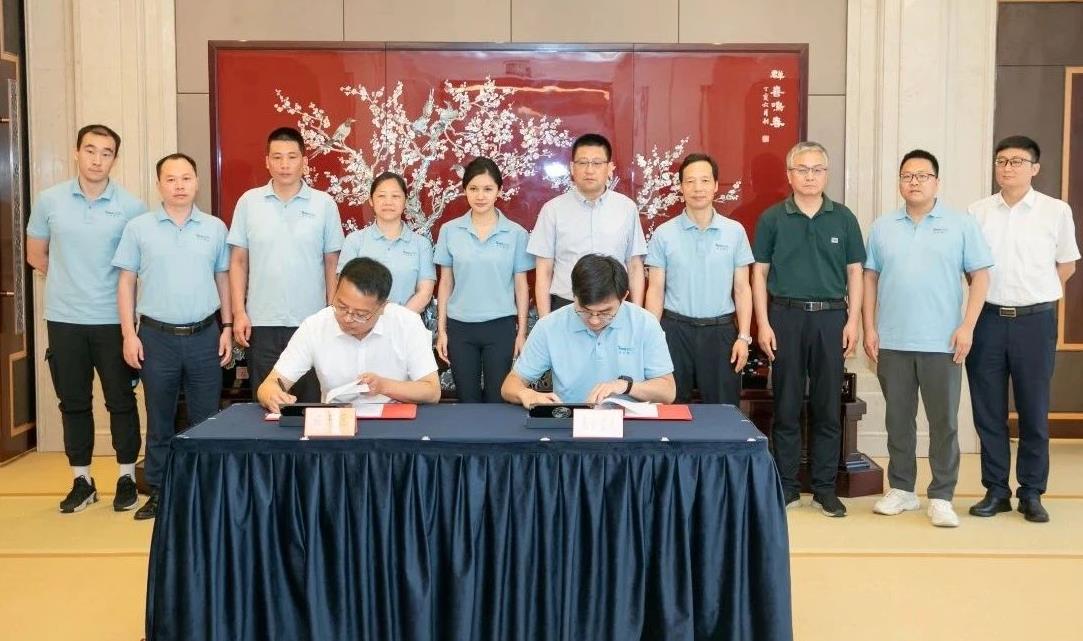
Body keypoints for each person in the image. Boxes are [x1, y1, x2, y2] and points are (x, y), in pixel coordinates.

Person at [864, 149, 993, 528]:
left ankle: (941, 496)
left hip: (943, 343)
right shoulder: (883, 227)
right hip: (893, 342)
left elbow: (981, 276)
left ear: (937, 182)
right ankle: (902, 489)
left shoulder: (960, 224)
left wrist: (967, 326)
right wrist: (870, 328)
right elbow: (870, 277)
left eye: (922, 175)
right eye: (907, 176)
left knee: (944, 423)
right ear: (899, 182)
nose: (914, 182)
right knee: (898, 420)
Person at [25, 124, 146, 514]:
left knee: (121, 401)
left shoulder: (132, 207)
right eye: (90, 150)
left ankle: (126, 477)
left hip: (113, 320)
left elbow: (137, 267)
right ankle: (82, 480)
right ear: (76, 152)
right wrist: (71, 280)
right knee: (73, 402)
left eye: (106, 153)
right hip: (65, 319)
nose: (97, 160)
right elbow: (35, 255)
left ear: (115, 159)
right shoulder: (49, 200)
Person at [113, 153, 233, 520]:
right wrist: (128, 334)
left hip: (204, 335)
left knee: (207, 421)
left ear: (197, 182)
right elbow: (126, 282)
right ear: (159, 185)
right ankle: (159, 490)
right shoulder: (139, 228)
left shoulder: (215, 227)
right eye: (170, 179)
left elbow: (223, 278)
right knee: (159, 419)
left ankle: (206, 493)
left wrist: (227, 327)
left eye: (186, 178)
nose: (179, 185)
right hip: (155, 337)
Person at [966, 135, 1079, 523]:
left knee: (1033, 411)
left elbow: (1067, 265)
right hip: (987, 320)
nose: (1007, 167)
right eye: (1001, 161)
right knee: (988, 411)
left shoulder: (1055, 211)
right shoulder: (977, 212)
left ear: (1035, 168)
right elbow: (970, 269)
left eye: (1016, 161)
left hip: (1035, 322)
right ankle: (996, 490)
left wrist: (1037, 294)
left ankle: (1031, 492)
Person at [752, 141, 865, 518]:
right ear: (789, 175)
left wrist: (853, 321)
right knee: (785, 406)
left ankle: (824, 489)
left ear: (826, 175)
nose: (810, 176)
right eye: (802, 169)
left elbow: (855, 272)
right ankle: (786, 486)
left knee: (827, 407)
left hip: (831, 318)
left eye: (817, 169)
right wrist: (763, 323)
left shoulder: (843, 218)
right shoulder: (772, 218)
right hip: (785, 317)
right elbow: (759, 273)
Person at [228, 127, 344, 401]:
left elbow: (332, 263)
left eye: (292, 157)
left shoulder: (324, 204)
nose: (284, 164)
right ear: (267, 161)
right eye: (277, 157)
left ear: (304, 161)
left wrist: (332, 312)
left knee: (310, 406)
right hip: (261, 323)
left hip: (311, 322)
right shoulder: (249, 202)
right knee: (267, 403)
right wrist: (239, 312)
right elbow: (238, 262)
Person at [256, 257, 441, 411]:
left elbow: (432, 391)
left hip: (394, 422)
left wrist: (384, 386)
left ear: (383, 307)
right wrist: (273, 395)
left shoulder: (407, 323)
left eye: (360, 314)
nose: (347, 318)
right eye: (342, 306)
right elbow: (269, 385)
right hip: (335, 424)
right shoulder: (315, 326)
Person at [644, 153, 754, 405]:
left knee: (723, 409)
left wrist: (744, 337)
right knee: (671, 407)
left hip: (721, 333)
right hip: (674, 331)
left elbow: (742, 288)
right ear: (681, 187)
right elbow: (656, 290)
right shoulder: (664, 234)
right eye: (690, 181)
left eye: (705, 181)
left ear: (715, 186)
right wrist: (651, 337)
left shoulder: (734, 231)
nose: (697, 188)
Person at [502, 254, 675, 407]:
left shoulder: (645, 323)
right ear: (574, 295)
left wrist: (626, 386)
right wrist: (526, 394)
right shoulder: (549, 326)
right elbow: (510, 384)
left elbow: (668, 392)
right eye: (585, 311)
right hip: (571, 421)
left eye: (605, 312)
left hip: (630, 422)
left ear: (624, 296)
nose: (594, 320)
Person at [434, 157, 533, 402]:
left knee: (498, 399)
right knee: (466, 399)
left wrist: (521, 333)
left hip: (500, 327)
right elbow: (445, 283)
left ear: (499, 190)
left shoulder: (516, 233)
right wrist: (442, 330)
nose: (480, 196)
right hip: (459, 327)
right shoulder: (449, 230)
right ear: (464, 190)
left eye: (488, 189)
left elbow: (521, 286)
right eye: (474, 188)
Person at [528, 133, 647, 316]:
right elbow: (544, 271)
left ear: (610, 168)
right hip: (566, 307)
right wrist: (545, 321)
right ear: (572, 167)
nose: (589, 170)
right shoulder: (552, 210)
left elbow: (635, 266)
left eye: (597, 163)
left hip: (614, 308)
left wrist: (636, 315)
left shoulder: (627, 208)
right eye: (583, 163)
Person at [337, 171, 436, 313]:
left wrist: (397, 320)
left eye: (395, 196)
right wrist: (368, 318)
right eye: (381, 196)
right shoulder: (355, 241)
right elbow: (345, 287)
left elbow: (424, 292)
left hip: (405, 322)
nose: (388, 202)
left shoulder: (421, 244)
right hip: (361, 321)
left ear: (405, 201)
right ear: (371, 200)